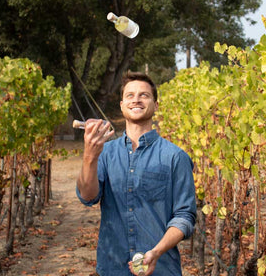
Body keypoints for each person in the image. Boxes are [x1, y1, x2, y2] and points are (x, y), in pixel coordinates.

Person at [76, 72, 196, 276]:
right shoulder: (104, 154)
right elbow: (88, 197)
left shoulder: (176, 157)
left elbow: (184, 216)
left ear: (156, 105)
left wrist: (156, 252)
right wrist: (89, 156)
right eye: (130, 95)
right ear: (122, 105)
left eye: (144, 95)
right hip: (112, 268)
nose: (136, 99)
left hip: (162, 269)